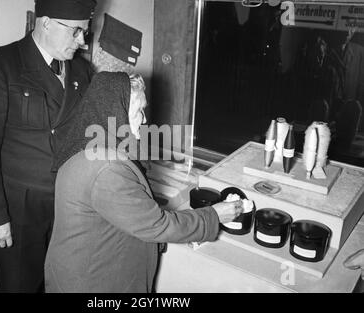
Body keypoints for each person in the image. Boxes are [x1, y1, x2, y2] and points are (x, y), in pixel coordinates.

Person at [44, 16, 244, 293]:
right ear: (116, 113)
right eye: (138, 111)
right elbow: (157, 226)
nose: (143, 119)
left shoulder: (88, 148)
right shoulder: (106, 169)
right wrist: (214, 216)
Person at [0, 0, 96, 292]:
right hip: (17, 213)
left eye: (84, 32)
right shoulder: (0, 65)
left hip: (67, 207)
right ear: (45, 22)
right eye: (76, 31)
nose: (82, 42)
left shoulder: (82, 72)